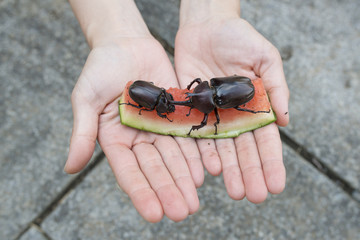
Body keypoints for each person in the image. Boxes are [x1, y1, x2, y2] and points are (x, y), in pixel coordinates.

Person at [64, 0, 289, 223]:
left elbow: (208, 105)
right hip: (227, 86)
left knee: (232, 110)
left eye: (191, 97)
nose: (189, 100)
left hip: (241, 91)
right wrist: (113, 32)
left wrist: (212, 12)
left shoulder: (211, 96)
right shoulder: (209, 89)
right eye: (191, 97)